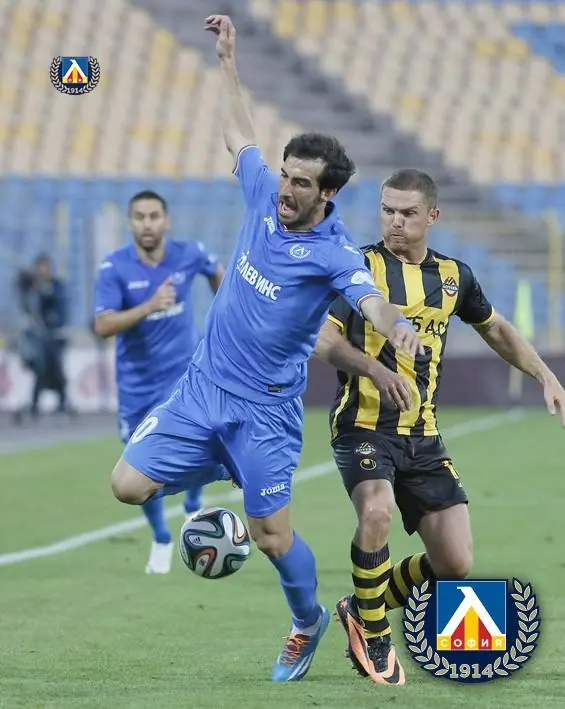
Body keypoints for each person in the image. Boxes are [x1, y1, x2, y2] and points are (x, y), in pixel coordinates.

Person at [109, 15, 424, 683]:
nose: (285, 189)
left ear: (327, 193)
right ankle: (224, 467)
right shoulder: (261, 193)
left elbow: (369, 298)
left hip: (264, 414)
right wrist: (227, 61)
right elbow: (238, 134)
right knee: (126, 485)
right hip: (203, 388)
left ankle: (307, 620)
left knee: (272, 537)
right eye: (285, 175)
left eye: (301, 183)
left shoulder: (333, 253)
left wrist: (394, 325)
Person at [314, 168, 565, 685]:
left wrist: (545, 374)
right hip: (363, 427)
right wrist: (376, 370)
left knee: (454, 564)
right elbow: (324, 339)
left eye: (407, 213)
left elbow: (495, 328)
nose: (395, 222)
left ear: (432, 216)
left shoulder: (454, 276)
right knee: (376, 510)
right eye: (387, 210)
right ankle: (376, 639)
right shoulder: (359, 268)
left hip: (423, 436)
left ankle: (362, 603)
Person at [94, 189, 225, 574]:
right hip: (137, 386)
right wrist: (149, 306)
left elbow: (219, 274)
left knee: (198, 443)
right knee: (137, 466)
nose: (147, 224)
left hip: (185, 379)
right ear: (130, 223)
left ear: (166, 221)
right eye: (139, 217)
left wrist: (225, 315)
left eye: (154, 216)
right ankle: (162, 536)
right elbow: (103, 325)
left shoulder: (189, 253)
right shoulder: (115, 267)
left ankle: (193, 505)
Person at [13, 254, 71, 423]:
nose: (43, 270)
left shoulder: (56, 286)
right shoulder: (32, 287)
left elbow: (61, 307)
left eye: (45, 267)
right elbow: (24, 300)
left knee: (58, 371)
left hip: (55, 335)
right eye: (40, 267)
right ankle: (34, 407)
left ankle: (62, 406)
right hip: (38, 337)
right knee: (40, 370)